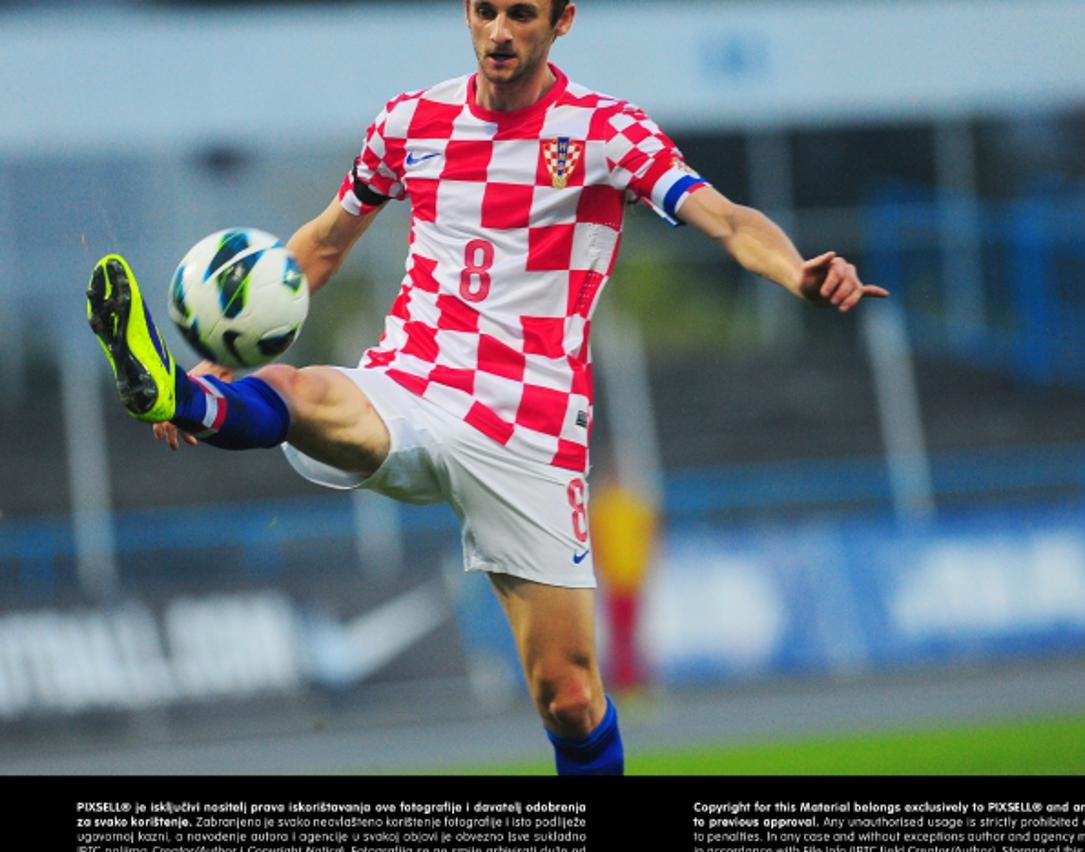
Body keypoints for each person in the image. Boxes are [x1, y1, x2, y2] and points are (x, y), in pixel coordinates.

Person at [87, 0, 887, 775]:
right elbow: (324, 247)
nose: (499, 32)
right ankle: (180, 398)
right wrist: (230, 346)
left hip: (529, 429)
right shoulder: (408, 124)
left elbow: (729, 221)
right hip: (411, 383)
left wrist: (797, 274)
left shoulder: (608, 131)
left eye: (521, 14)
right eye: (484, 11)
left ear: (562, 19)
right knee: (300, 391)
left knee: (569, 698)